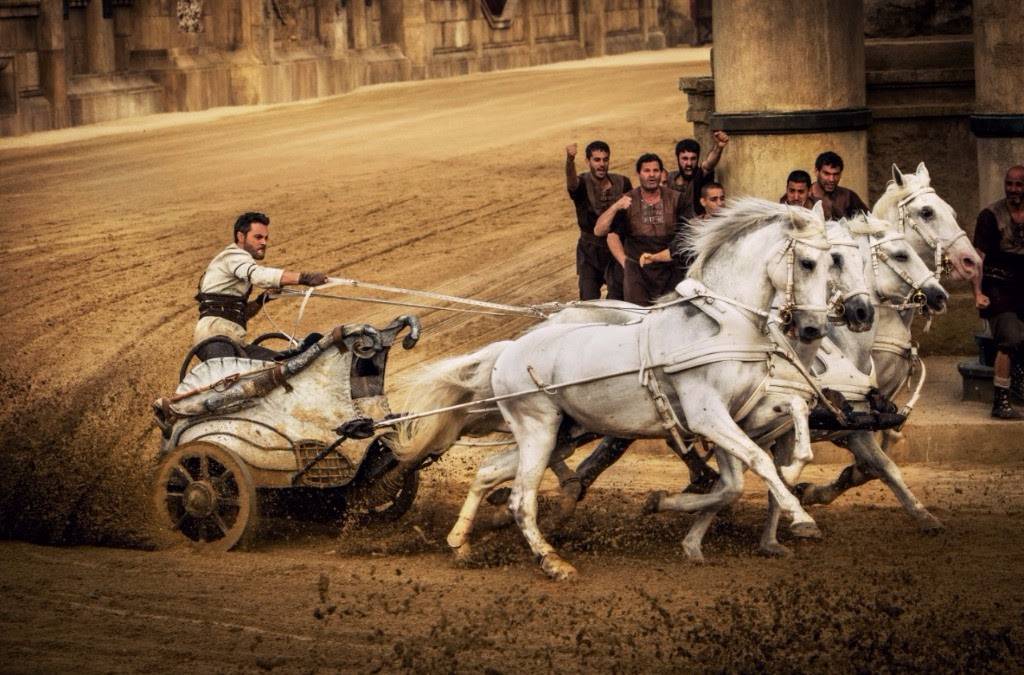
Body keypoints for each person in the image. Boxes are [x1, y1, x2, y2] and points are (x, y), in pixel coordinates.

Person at [194, 211, 328, 361]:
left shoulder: (237, 264)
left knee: (283, 366)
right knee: (236, 380)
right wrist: (305, 278)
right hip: (215, 341)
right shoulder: (233, 256)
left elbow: (239, 313)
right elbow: (258, 275)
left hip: (233, 342)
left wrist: (261, 300)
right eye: (258, 237)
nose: (264, 242)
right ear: (240, 237)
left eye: (266, 238)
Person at [595, 153, 690, 306]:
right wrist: (625, 263)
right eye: (646, 171)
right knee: (638, 318)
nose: (651, 175)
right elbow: (605, 234)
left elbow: (686, 236)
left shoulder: (678, 199)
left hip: (670, 269)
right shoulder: (627, 201)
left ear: (661, 173)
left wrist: (660, 256)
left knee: (671, 316)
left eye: (656, 170)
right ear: (638, 174)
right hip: (637, 274)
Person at [973, 165, 1024, 419]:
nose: (1013, 190)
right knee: (1010, 338)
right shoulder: (990, 216)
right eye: (1010, 184)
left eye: (1019, 185)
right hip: (999, 286)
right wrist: (977, 293)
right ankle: (1000, 401)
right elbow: (977, 259)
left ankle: (1019, 382)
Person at [566, 141, 632, 300]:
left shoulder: (622, 182)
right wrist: (569, 160)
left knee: (617, 300)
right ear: (588, 161)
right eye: (596, 160)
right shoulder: (582, 183)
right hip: (589, 251)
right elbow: (572, 183)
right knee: (589, 302)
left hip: (615, 249)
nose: (601, 164)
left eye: (605, 159)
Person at [638, 181, 726, 269]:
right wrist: (653, 257)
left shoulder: (732, 223)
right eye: (714, 199)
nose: (720, 203)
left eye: (722, 198)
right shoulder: (695, 226)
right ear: (703, 202)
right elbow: (675, 251)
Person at [667, 131, 729, 219]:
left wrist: (719, 147)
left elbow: (708, 164)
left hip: (695, 229)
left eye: (693, 159)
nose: (689, 163)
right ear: (677, 158)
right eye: (685, 158)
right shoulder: (670, 178)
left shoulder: (700, 176)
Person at [810, 151, 868, 220]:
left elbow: (869, 220)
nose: (831, 179)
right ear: (817, 172)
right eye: (826, 174)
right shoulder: (805, 195)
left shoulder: (848, 196)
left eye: (836, 174)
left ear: (840, 174)